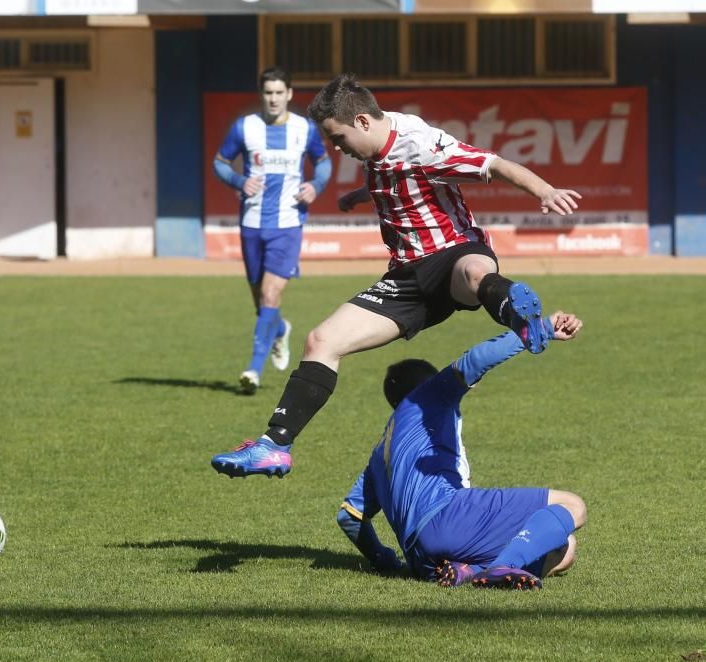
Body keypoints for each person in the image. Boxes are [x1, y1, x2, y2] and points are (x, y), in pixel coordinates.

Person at [211, 73, 581, 478]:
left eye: (339, 139)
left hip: (453, 252)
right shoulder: (375, 142)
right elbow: (392, 173)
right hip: (406, 277)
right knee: (321, 340)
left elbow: (492, 164)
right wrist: (362, 194)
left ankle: (524, 322)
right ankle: (274, 446)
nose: (337, 149)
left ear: (363, 123)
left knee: (475, 273)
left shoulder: (423, 145)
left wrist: (543, 190)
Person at [337, 311, 587, 589]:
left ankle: (469, 570)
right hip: (447, 516)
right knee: (573, 506)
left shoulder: (380, 452)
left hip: (422, 561)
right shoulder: (427, 396)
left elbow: (349, 515)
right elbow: (477, 359)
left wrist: (383, 558)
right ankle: (503, 566)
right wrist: (541, 329)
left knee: (564, 548)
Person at [213, 67, 332, 395]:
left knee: (270, 295)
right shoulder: (245, 128)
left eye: (280, 92)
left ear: (290, 94)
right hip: (251, 224)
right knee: (261, 303)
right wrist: (239, 181)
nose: (274, 98)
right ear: (262, 95)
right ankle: (279, 330)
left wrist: (315, 185)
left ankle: (253, 369)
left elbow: (323, 162)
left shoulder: (303, 129)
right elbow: (220, 162)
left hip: (288, 224)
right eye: (269, 93)